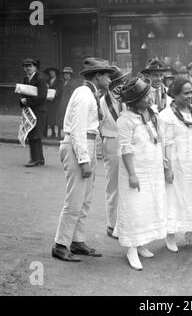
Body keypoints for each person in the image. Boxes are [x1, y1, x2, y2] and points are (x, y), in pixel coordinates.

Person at [52, 57, 114, 262]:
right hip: (76, 147)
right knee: (75, 199)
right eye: (107, 76)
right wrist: (84, 160)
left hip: (87, 145)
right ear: (97, 76)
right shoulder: (83, 95)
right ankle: (60, 244)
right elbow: (77, 130)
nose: (110, 80)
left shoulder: (92, 93)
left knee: (85, 199)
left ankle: (77, 240)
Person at [114, 78, 168, 271]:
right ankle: (131, 249)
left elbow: (159, 139)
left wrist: (163, 161)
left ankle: (142, 243)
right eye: (145, 96)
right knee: (134, 208)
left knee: (147, 207)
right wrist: (132, 174)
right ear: (135, 100)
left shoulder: (152, 114)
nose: (149, 97)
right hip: (136, 171)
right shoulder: (125, 120)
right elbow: (126, 148)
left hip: (152, 171)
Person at [159, 76, 192, 252]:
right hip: (177, 166)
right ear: (175, 95)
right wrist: (167, 168)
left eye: (191, 92)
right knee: (174, 199)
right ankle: (170, 235)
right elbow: (165, 143)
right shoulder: (166, 116)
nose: (190, 96)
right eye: (186, 93)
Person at [99, 66, 129, 239]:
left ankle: (123, 222)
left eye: (122, 82)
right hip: (111, 140)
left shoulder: (125, 100)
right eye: (118, 83)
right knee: (114, 185)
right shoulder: (103, 101)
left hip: (126, 141)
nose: (121, 86)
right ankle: (112, 224)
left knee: (126, 183)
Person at [19, 58, 47, 167]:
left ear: (35, 67)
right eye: (25, 66)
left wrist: (27, 101)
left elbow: (42, 97)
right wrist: (22, 101)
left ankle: (36, 159)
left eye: (30, 66)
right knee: (31, 134)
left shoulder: (40, 79)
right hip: (29, 111)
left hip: (38, 111)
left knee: (35, 135)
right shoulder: (26, 79)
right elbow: (23, 93)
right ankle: (38, 159)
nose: (27, 68)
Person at [44, 67, 63, 139]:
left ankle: (58, 133)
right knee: (50, 117)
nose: (51, 73)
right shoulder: (47, 80)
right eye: (50, 72)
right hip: (49, 101)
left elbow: (60, 89)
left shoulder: (59, 81)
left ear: (55, 73)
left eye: (53, 72)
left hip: (56, 101)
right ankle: (53, 132)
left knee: (57, 117)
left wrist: (55, 93)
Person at [58, 67, 77, 139]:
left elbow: (73, 93)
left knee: (69, 117)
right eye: (64, 74)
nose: (65, 75)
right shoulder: (62, 82)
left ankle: (69, 134)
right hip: (62, 102)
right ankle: (61, 134)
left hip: (69, 102)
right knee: (61, 117)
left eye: (67, 74)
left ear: (70, 75)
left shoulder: (73, 83)